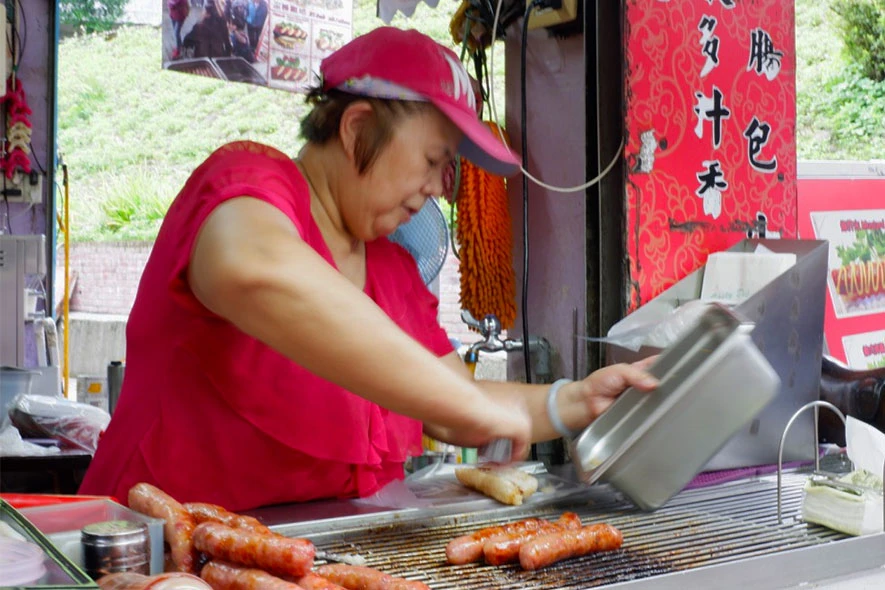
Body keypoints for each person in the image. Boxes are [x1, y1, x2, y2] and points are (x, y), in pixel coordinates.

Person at [79, 27, 657, 512]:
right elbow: (253, 269)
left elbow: (455, 405)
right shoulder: (248, 185)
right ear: (356, 128)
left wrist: (572, 401)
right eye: (433, 161)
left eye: (448, 170)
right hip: (155, 554)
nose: (439, 189)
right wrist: (472, 406)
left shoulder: (393, 270)